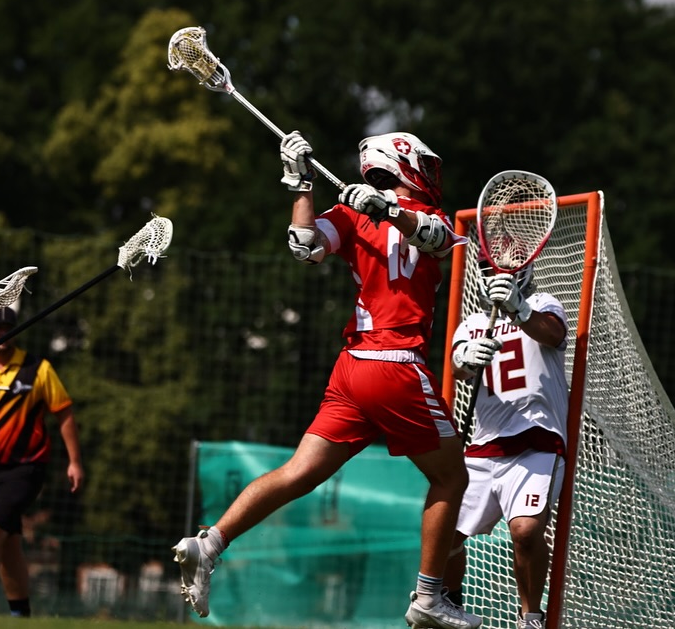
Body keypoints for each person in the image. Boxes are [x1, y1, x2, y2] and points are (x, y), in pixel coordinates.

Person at [173, 131, 480, 629]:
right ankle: (429, 597)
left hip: (352, 368)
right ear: (401, 163)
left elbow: (434, 238)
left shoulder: (385, 213)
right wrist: (300, 182)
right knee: (451, 477)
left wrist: (379, 208)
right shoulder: (365, 212)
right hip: (396, 364)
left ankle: (208, 543)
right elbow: (306, 245)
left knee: (300, 471)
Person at [443, 266, 570, 629]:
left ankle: (531, 619)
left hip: (537, 441)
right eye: (488, 266)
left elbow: (553, 333)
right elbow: (458, 368)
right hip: (484, 445)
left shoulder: (543, 302)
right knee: (445, 531)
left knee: (526, 532)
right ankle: (448, 605)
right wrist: (464, 359)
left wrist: (520, 309)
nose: (495, 272)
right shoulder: (471, 323)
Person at [0, 306, 85, 617]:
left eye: (9, 327)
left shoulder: (37, 369)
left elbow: (63, 413)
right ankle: (21, 614)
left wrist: (74, 461)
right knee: (8, 542)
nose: (3, 334)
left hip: (27, 468)